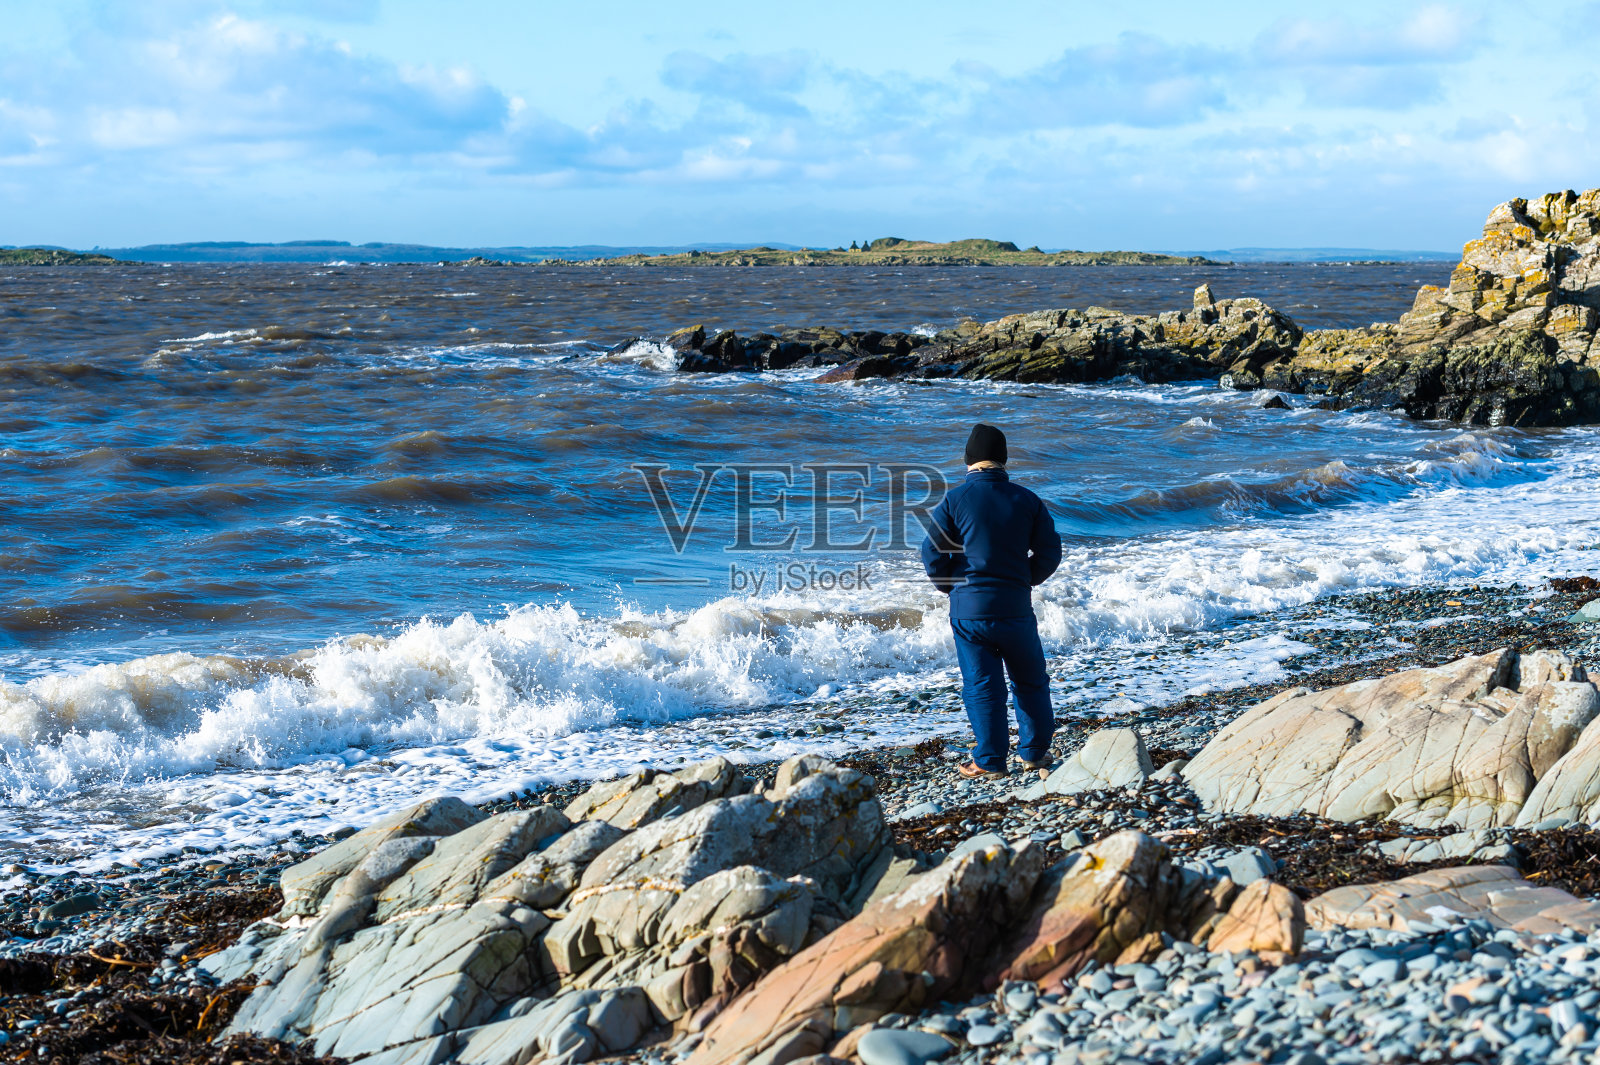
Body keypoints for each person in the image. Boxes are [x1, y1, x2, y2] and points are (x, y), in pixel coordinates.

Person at [920, 423, 1062, 778]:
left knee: (982, 686)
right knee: (1030, 680)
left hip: (970, 613)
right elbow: (1050, 551)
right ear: (1003, 459)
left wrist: (953, 586)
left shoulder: (953, 500)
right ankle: (1032, 753)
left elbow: (932, 555)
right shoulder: (1027, 499)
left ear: (968, 461)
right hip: (1015, 606)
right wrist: (1024, 579)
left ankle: (990, 760)